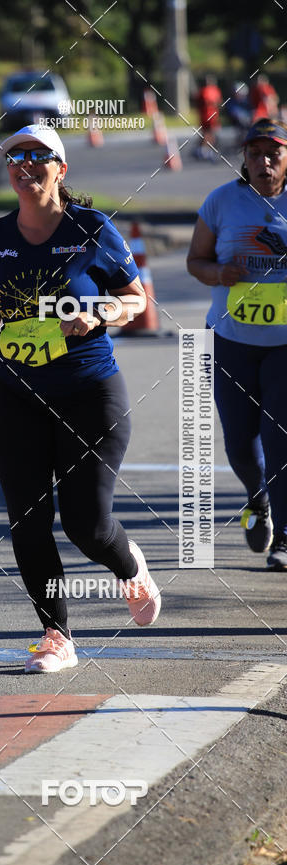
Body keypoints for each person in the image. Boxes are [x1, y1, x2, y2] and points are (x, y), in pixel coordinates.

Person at [0, 124, 161, 674]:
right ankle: (57, 635)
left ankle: (128, 565)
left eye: (39, 156)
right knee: (28, 519)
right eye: (15, 157)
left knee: (86, 525)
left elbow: (134, 299)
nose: (25, 165)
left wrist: (99, 314)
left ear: (61, 168)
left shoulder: (91, 229)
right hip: (13, 393)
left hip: (88, 391)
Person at [187, 118, 287, 570]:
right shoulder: (222, 201)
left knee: (279, 438)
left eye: (274, 154)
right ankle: (257, 499)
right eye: (254, 154)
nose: (264, 163)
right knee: (240, 444)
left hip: (285, 345)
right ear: (243, 159)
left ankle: (284, 537)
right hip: (231, 340)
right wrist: (216, 274)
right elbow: (197, 260)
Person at [194, 75, 222, 160]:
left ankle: (203, 150)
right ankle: (204, 150)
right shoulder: (208, 91)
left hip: (209, 115)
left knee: (207, 133)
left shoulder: (210, 90)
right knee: (209, 133)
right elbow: (213, 102)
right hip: (209, 115)